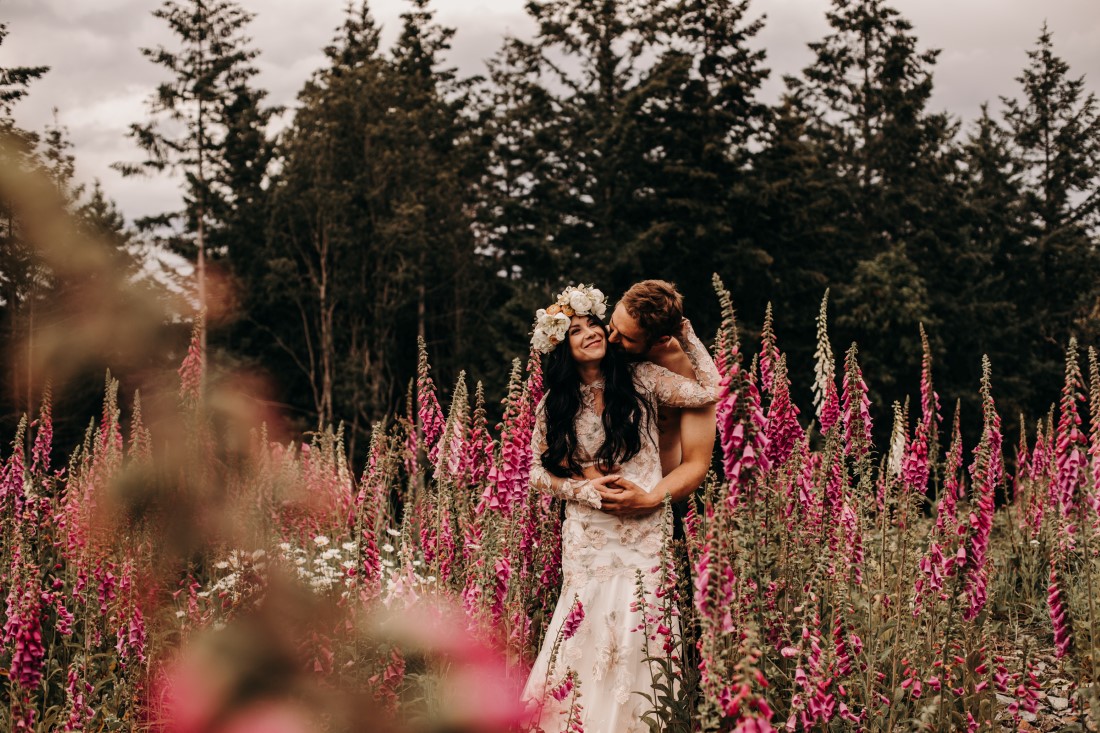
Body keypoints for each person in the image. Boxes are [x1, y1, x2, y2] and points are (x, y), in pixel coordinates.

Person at [521, 284, 719, 732]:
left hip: (645, 533)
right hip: (590, 537)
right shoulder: (554, 405)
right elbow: (536, 473)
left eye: (595, 322)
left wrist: (684, 332)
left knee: (642, 633)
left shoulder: (643, 379)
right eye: (576, 330)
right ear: (560, 348)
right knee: (583, 633)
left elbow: (708, 389)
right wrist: (586, 492)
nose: (594, 333)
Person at [596, 280, 718, 523]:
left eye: (628, 338)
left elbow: (696, 462)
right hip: (594, 505)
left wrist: (648, 500)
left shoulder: (689, 372)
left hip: (657, 503)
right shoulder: (604, 342)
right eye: (613, 325)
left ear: (661, 340)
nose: (611, 339)